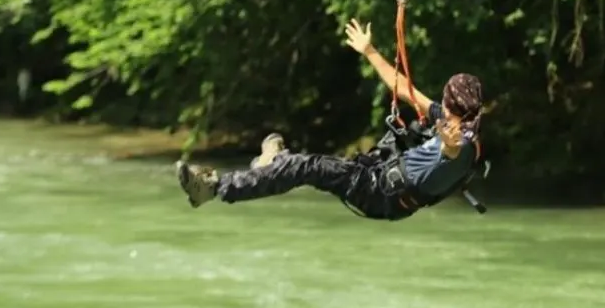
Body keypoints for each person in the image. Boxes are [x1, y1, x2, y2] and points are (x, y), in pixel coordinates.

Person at [175, 17, 484, 221]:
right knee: (305, 167)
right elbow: (404, 89)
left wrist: (449, 145)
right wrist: (369, 50)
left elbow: (452, 152)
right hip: (377, 177)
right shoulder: (452, 117)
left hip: (380, 194)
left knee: (308, 167)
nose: (443, 109)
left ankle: (214, 187)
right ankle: (274, 162)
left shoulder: (462, 145)